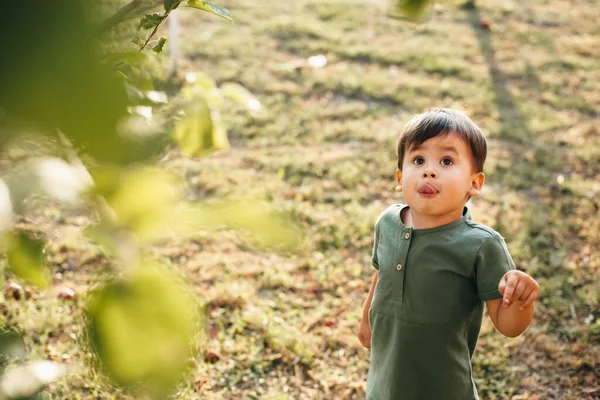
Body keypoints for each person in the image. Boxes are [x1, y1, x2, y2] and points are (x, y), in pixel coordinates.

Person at [358, 108, 540, 400]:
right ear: (400, 177)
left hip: (443, 386)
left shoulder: (481, 245)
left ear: (475, 183)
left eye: (446, 161)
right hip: (387, 377)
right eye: (419, 160)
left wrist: (521, 301)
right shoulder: (388, 223)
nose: (429, 170)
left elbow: (508, 326)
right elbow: (382, 273)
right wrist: (367, 317)